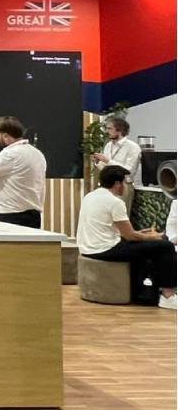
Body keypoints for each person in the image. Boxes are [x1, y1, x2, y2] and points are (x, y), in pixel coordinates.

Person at [77, 166, 176, 310]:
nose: (126, 185)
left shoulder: (90, 196)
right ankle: (168, 295)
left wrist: (143, 234)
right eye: (124, 182)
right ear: (117, 184)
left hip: (89, 247)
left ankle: (148, 292)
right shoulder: (115, 202)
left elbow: (120, 231)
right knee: (165, 246)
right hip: (105, 249)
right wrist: (153, 237)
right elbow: (129, 236)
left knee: (150, 246)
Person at [0, 116, 47, 229]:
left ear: (6, 136)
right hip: (33, 215)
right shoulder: (37, 153)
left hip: (12, 216)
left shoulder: (11, 154)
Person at [92, 117, 141, 212]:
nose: (106, 131)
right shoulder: (108, 145)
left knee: (120, 217)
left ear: (120, 130)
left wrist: (108, 160)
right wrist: (98, 162)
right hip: (107, 187)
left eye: (110, 128)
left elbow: (128, 170)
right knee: (105, 217)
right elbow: (106, 168)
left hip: (122, 186)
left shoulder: (133, 147)